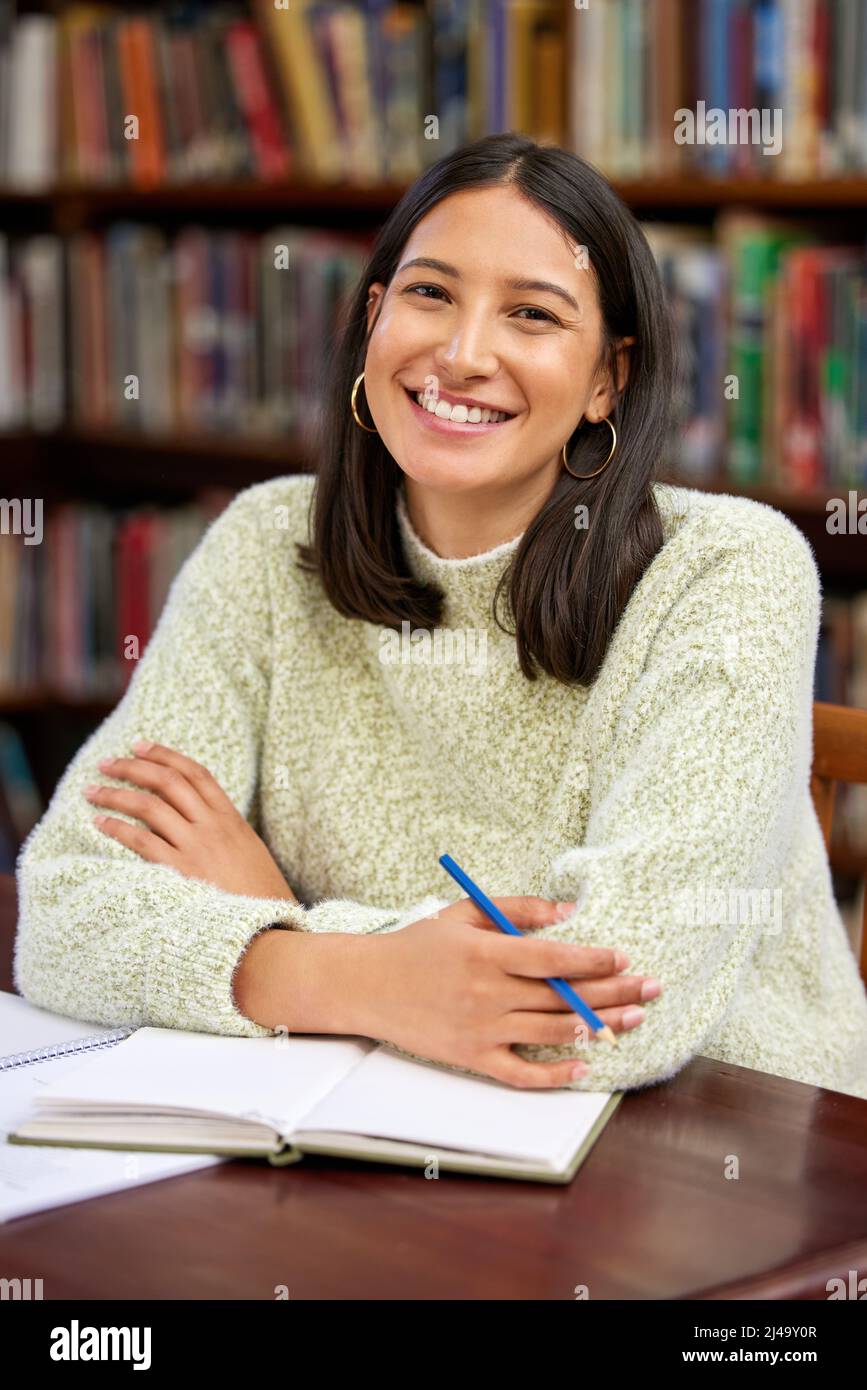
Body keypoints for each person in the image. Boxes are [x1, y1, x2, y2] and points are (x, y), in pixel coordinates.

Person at [15, 133, 867, 1099]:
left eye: (532, 315)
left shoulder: (725, 570)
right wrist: (373, 975)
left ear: (608, 379)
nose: (461, 356)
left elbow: (611, 1018)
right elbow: (62, 913)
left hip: (725, 1145)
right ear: (373, 319)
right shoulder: (266, 542)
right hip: (387, 1116)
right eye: (429, 294)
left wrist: (277, 920)